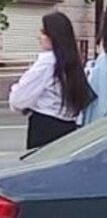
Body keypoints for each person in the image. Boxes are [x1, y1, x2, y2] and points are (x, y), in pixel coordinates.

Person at [9, 11, 94, 149]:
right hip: (69, 126)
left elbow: (19, 98)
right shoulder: (73, 62)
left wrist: (17, 95)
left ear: (54, 36)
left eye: (43, 33)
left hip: (44, 127)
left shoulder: (47, 62)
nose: (39, 37)